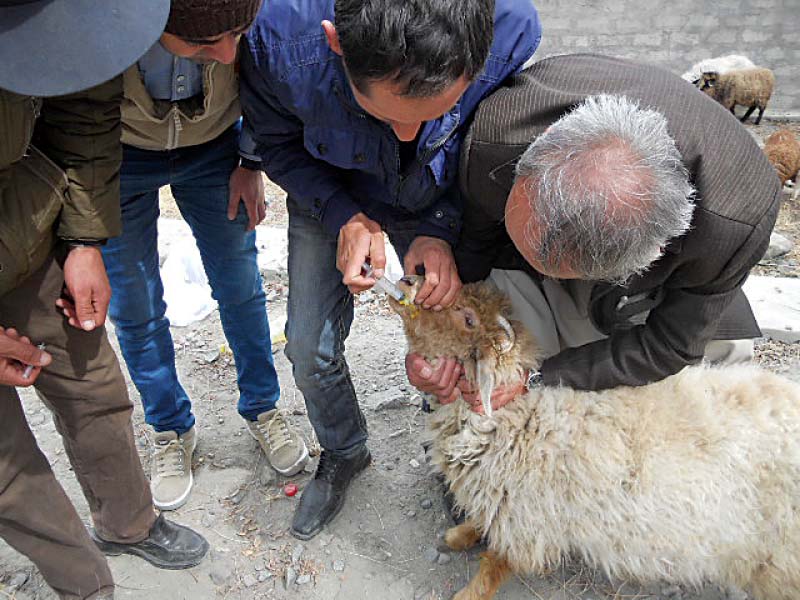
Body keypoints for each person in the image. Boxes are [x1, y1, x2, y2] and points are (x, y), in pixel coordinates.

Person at [239, 0, 542, 539]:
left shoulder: (510, 29)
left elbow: (496, 147)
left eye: (431, 115)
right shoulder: (279, 43)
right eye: (385, 111)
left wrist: (443, 226)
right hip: (332, 191)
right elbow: (278, 146)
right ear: (336, 43)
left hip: (446, 193)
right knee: (309, 345)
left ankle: (452, 452)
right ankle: (344, 451)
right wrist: (342, 215)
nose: (406, 134)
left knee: (460, 343)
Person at [407, 54, 781, 412]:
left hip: (681, 250)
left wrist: (539, 376)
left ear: (656, 249)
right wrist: (447, 341)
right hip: (525, 240)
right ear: (544, 142)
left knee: (713, 379)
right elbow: (471, 250)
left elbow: (670, 344)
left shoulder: (735, 217)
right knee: (505, 294)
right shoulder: (495, 139)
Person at [0, 1, 208, 598]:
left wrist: (83, 237)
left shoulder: (66, 16)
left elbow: (83, 108)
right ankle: (85, 584)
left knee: (94, 388)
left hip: (25, 240)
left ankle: (129, 523)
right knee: (8, 471)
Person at [100, 0, 309, 511]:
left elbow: (261, 82)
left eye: (236, 33)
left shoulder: (240, 21)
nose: (225, 52)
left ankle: (263, 407)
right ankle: (169, 429)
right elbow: (72, 111)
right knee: (135, 304)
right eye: (201, 45)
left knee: (240, 287)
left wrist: (249, 161)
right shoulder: (104, 19)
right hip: (120, 156)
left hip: (216, 151)